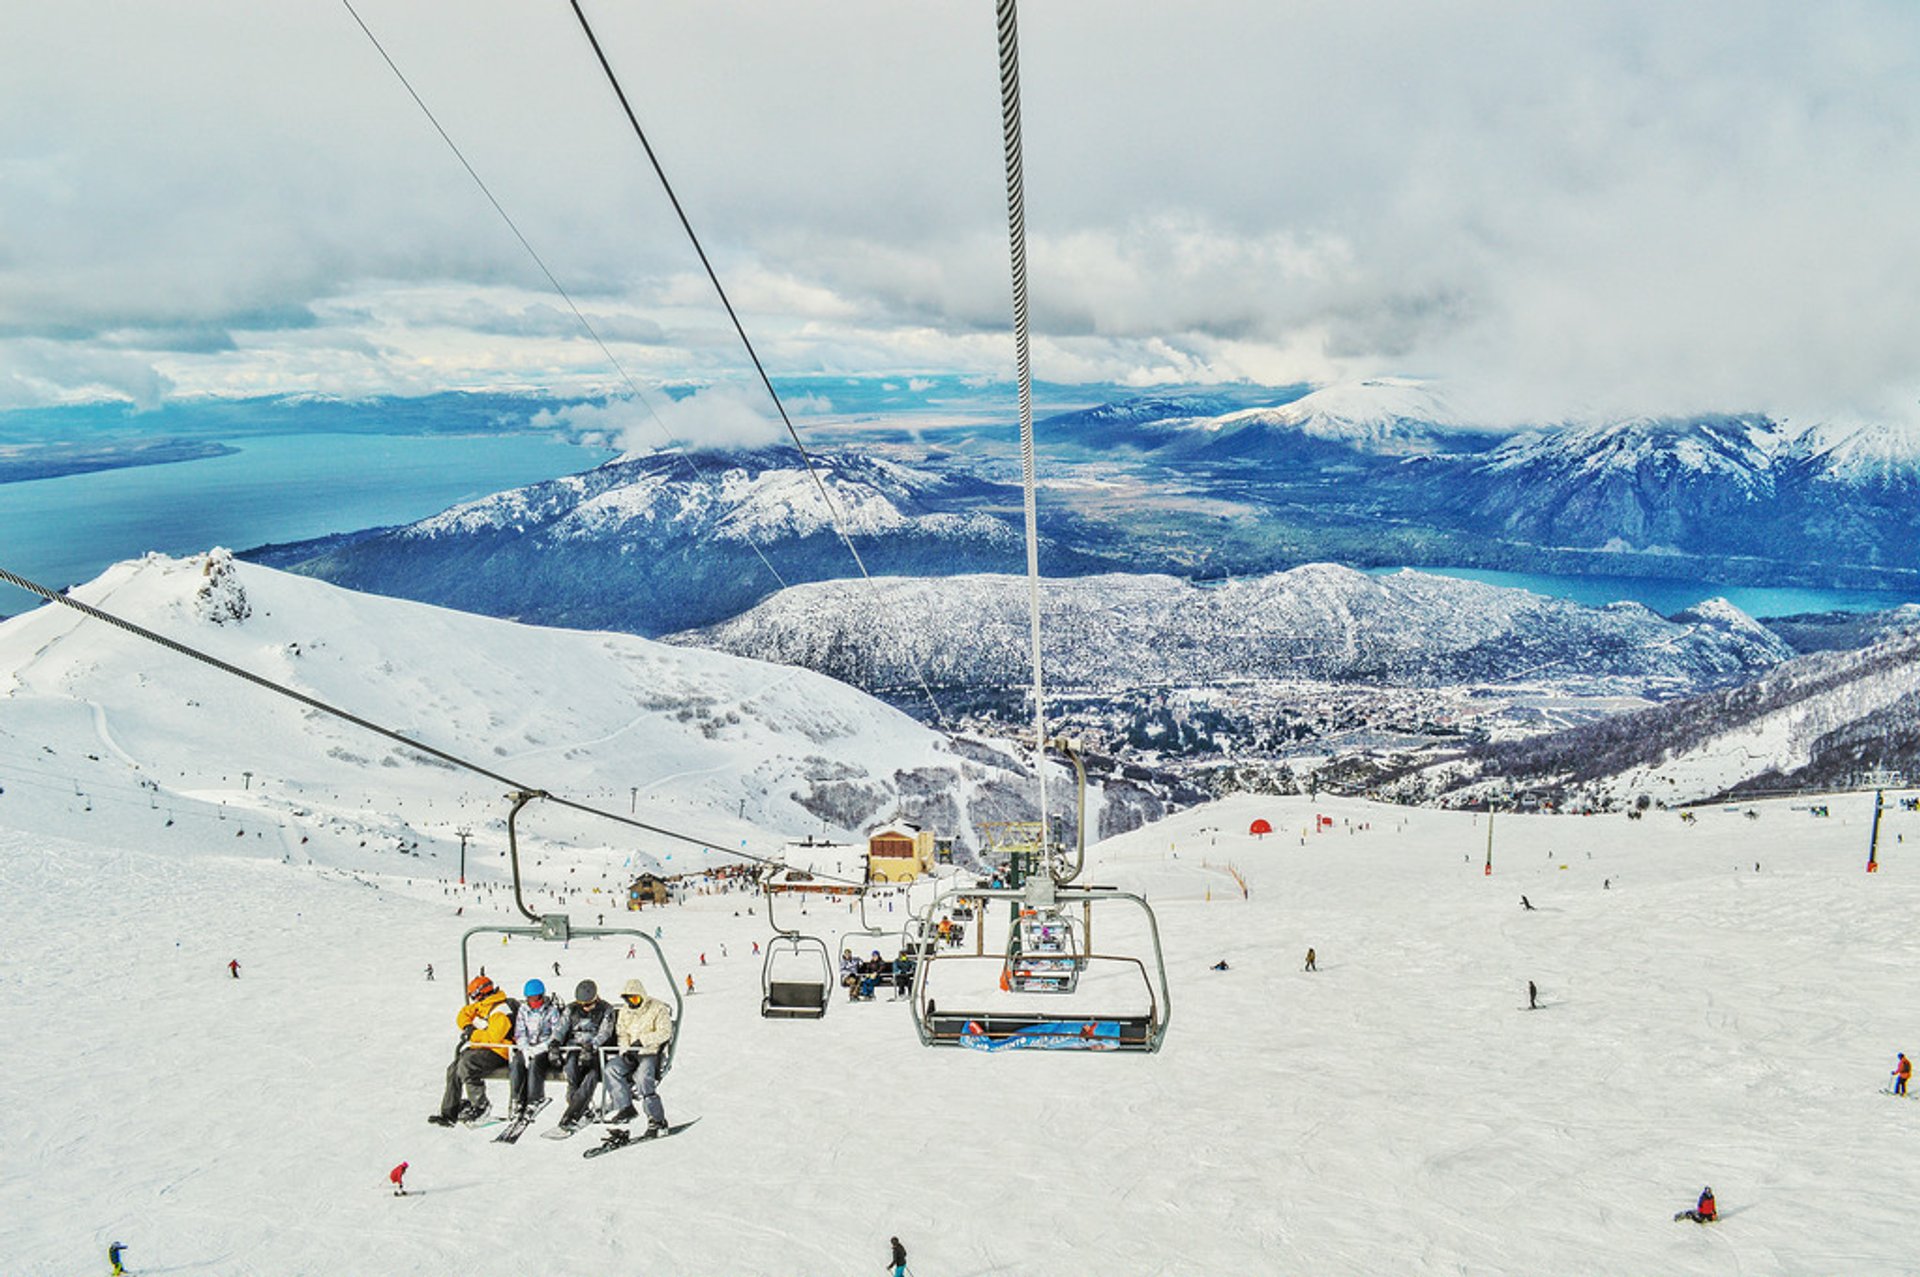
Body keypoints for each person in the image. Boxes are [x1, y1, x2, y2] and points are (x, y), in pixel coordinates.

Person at [429, 974, 513, 1126]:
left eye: (474, 995)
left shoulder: (500, 1010)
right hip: (483, 1049)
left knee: (467, 1064)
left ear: (482, 992)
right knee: (453, 1068)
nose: (473, 999)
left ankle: (481, 1106)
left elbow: (494, 1037)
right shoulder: (484, 1005)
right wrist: (468, 1026)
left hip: (501, 1051)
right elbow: (464, 1013)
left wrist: (473, 1034)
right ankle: (449, 1112)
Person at [603, 977, 675, 1135]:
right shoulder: (625, 1011)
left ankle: (657, 1120)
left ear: (642, 995)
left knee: (643, 1078)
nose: (632, 1003)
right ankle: (625, 1107)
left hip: (649, 1053)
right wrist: (625, 1051)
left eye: (635, 998)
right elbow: (622, 1033)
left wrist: (642, 1041)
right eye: (629, 1000)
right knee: (611, 1069)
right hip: (631, 1053)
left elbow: (665, 1032)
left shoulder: (657, 1008)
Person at [546, 980, 616, 1137]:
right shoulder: (571, 1009)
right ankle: (579, 1109)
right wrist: (555, 1043)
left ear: (595, 998)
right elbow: (561, 1027)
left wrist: (592, 1045)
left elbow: (605, 1032)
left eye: (588, 1004)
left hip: (596, 1049)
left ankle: (571, 1115)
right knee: (571, 1069)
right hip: (575, 1048)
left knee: (592, 1075)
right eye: (582, 1004)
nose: (585, 1007)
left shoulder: (606, 1009)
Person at [509, 979, 564, 1119]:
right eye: (530, 998)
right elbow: (520, 1032)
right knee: (517, 1062)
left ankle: (535, 1098)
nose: (533, 1001)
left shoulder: (551, 1011)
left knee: (535, 1064)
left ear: (542, 996)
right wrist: (525, 1048)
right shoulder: (523, 1010)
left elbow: (556, 1033)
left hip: (544, 1049)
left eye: (536, 998)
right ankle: (517, 1099)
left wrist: (541, 1048)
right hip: (528, 1047)